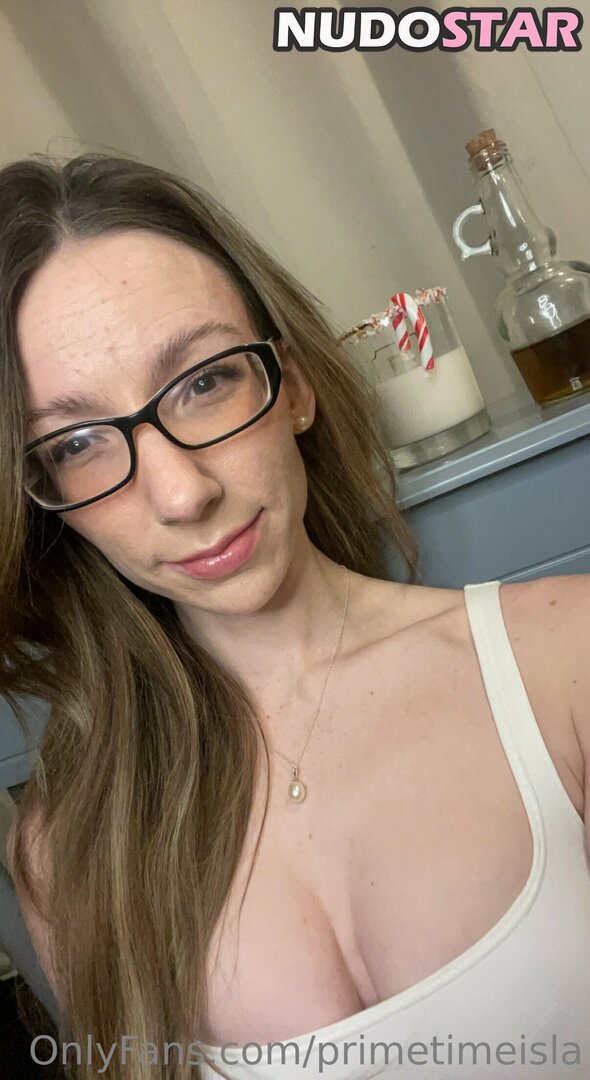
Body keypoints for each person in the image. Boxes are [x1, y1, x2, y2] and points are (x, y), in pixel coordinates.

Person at [2, 152, 589, 1080]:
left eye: (204, 382)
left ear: (296, 385)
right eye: (78, 444)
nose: (183, 493)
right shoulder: (67, 849)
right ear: (44, 499)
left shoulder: (565, 659)